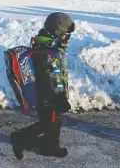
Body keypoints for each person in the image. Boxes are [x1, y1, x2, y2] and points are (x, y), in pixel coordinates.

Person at [10, 12, 74, 159]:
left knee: (54, 121)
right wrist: (59, 98)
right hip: (48, 96)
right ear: (57, 33)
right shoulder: (47, 51)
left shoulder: (48, 46)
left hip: (50, 94)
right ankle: (20, 138)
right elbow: (49, 77)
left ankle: (50, 147)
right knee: (49, 122)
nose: (67, 39)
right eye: (66, 35)